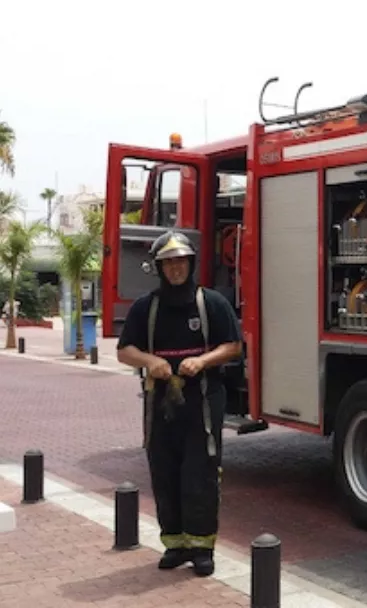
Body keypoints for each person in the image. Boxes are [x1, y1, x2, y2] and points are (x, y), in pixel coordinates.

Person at [115, 231, 242, 576]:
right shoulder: (146, 307)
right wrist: (148, 361)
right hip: (161, 405)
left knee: (199, 474)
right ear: (159, 267)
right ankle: (175, 544)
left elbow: (233, 345)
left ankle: (202, 547)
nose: (175, 269)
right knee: (164, 471)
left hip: (202, 401)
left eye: (180, 262)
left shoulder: (211, 303)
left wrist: (202, 361)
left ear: (191, 264)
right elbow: (124, 350)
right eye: (168, 263)